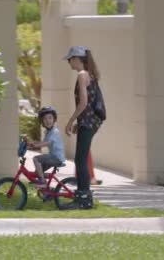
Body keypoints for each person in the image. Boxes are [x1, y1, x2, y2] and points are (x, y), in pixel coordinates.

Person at [62, 46, 104, 210]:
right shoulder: (90, 74)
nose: (68, 62)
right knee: (82, 159)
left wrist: (70, 120)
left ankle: (83, 199)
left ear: (77, 59)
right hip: (89, 122)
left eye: (69, 59)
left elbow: (84, 102)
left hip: (87, 122)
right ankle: (83, 198)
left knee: (80, 160)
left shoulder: (82, 75)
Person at [26, 107, 66, 189]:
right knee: (37, 172)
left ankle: (43, 182)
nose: (48, 120)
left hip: (57, 158)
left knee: (36, 159)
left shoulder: (55, 131)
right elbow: (42, 142)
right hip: (53, 156)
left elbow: (47, 143)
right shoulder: (48, 132)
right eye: (45, 119)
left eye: (50, 118)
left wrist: (35, 145)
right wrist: (32, 142)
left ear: (54, 119)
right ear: (42, 122)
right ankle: (47, 189)